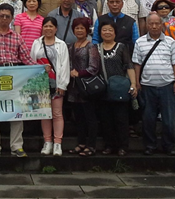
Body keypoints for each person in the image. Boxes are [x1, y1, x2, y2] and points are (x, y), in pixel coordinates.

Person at [0, 3, 33, 158]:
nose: (4, 19)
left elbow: (26, 59)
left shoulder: (17, 37)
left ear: (11, 18)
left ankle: (17, 146)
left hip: (14, 76)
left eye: (7, 16)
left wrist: (41, 68)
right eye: (1, 16)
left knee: (17, 111)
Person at [133, 13, 175, 156]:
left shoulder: (170, 42)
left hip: (167, 85)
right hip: (147, 86)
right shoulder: (139, 42)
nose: (154, 26)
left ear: (162, 25)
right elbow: (137, 64)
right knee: (148, 119)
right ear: (147, 25)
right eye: (151, 24)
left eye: (157, 23)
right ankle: (150, 145)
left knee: (168, 120)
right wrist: (136, 83)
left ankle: (169, 145)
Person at [97, 17, 137, 156]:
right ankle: (109, 146)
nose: (107, 32)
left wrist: (133, 84)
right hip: (102, 89)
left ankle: (123, 146)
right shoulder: (96, 48)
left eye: (110, 30)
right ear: (100, 32)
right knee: (105, 119)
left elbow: (129, 66)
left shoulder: (121, 47)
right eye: (104, 30)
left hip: (119, 88)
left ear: (115, 32)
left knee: (121, 119)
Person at [31, 16, 69, 157]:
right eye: (45, 26)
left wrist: (63, 84)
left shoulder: (61, 44)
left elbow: (65, 65)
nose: (48, 29)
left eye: (51, 26)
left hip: (56, 83)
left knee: (57, 113)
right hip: (40, 83)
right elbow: (31, 61)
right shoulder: (37, 43)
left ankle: (58, 143)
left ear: (56, 28)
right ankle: (47, 142)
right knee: (44, 114)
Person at [67, 17, 101, 157]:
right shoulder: (70, 46)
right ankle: (81, 142)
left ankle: (91, 145)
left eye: (82, 28)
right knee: (78, 117)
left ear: (87, 30)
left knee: (90, 117)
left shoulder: (91, 46)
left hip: (87, 87)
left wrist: (79, 73)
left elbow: (94, 68)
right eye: (77, 28)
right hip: (74, 87)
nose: (79, 30)